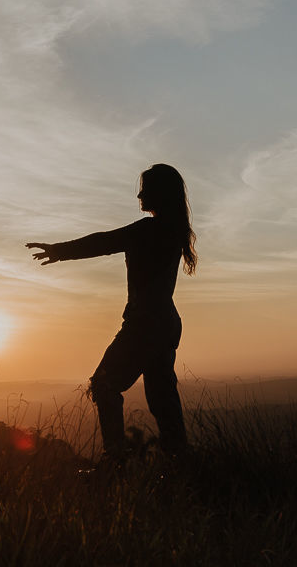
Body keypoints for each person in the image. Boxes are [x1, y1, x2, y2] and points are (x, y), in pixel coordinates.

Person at [26, 163, 197, 460]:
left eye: (145, 188)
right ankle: (180, 462)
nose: (139, 194)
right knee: (162, 399)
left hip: (145, 324)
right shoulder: (172, 232)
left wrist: (58, 250)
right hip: (166, 323)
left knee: (104, 384)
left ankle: (115, 461)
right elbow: (106, 242)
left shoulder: (148, 230)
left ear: (159, 193)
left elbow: (104, 241)